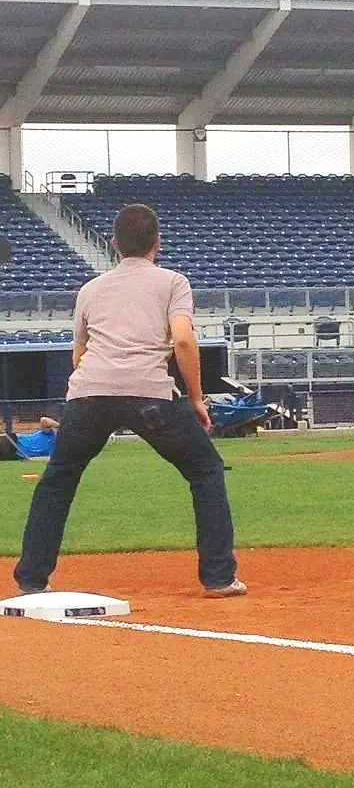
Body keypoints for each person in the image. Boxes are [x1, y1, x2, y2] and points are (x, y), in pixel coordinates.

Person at [13, 203, 246, 598]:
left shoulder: (90, 289)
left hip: (89, 392)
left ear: (114, 244)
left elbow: (78, 355)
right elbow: (184, 340)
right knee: (205, 471)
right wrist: (195, 398)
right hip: (149, 393)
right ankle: (218, 576)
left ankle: (32, 579)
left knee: (57, 482)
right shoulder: (173, 282)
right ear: (158, 242)